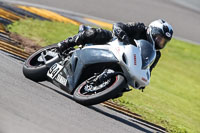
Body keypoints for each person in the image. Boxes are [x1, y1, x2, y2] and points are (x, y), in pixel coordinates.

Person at [58, 19, 173, 78]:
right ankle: (65, 44)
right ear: (152, 30)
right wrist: (124, 37)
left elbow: (148, 69)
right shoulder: (140, 27)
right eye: (159, 38)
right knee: (95, 33)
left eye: (163, 41)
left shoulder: (155, 54)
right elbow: (118, 25)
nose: (160, 43)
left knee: (122, 89)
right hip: (114, 44)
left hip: (126, 62)